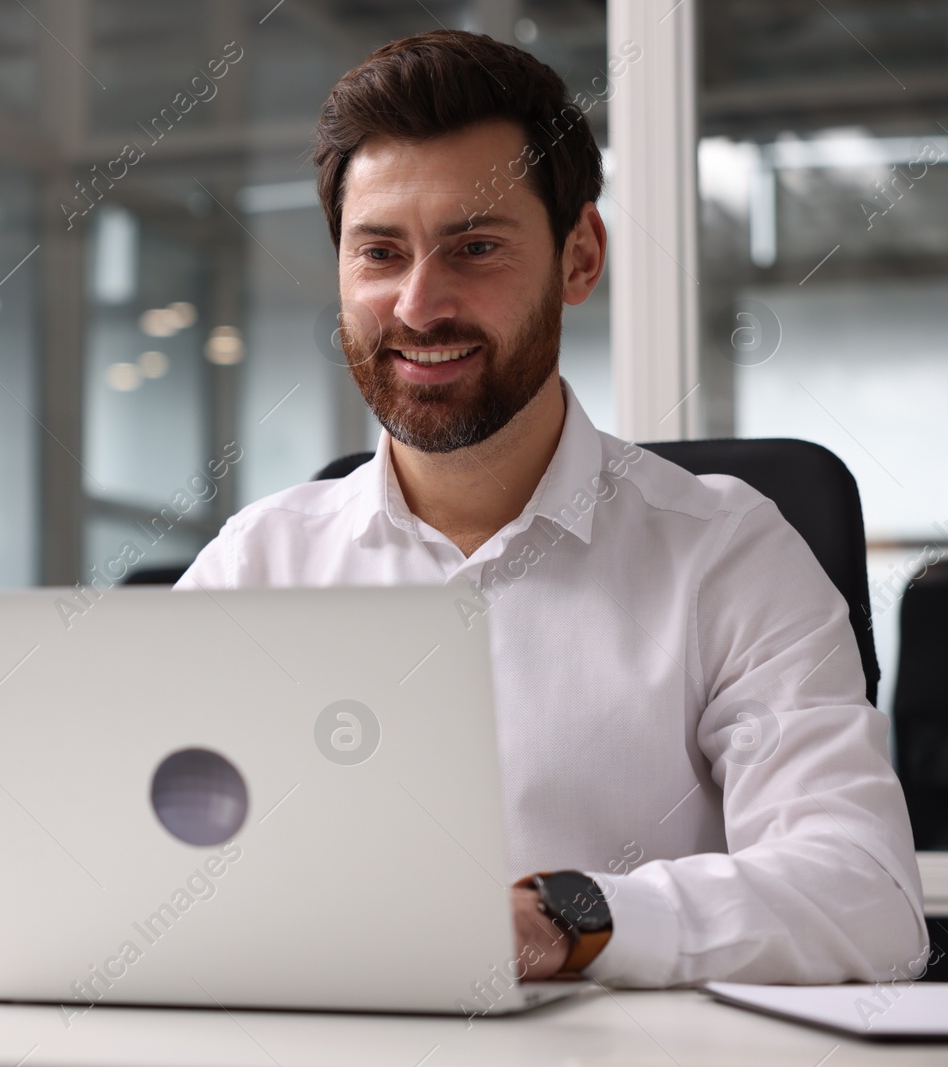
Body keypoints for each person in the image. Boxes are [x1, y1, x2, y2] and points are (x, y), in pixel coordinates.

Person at [176, 30, 929, 988]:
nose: (417, 304)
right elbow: (121, 857)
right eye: (379, 252)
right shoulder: (256, 565)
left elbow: (864, 902)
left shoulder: (728, 553)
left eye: (475, 247)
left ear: (580, 258)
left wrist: (564, 919)